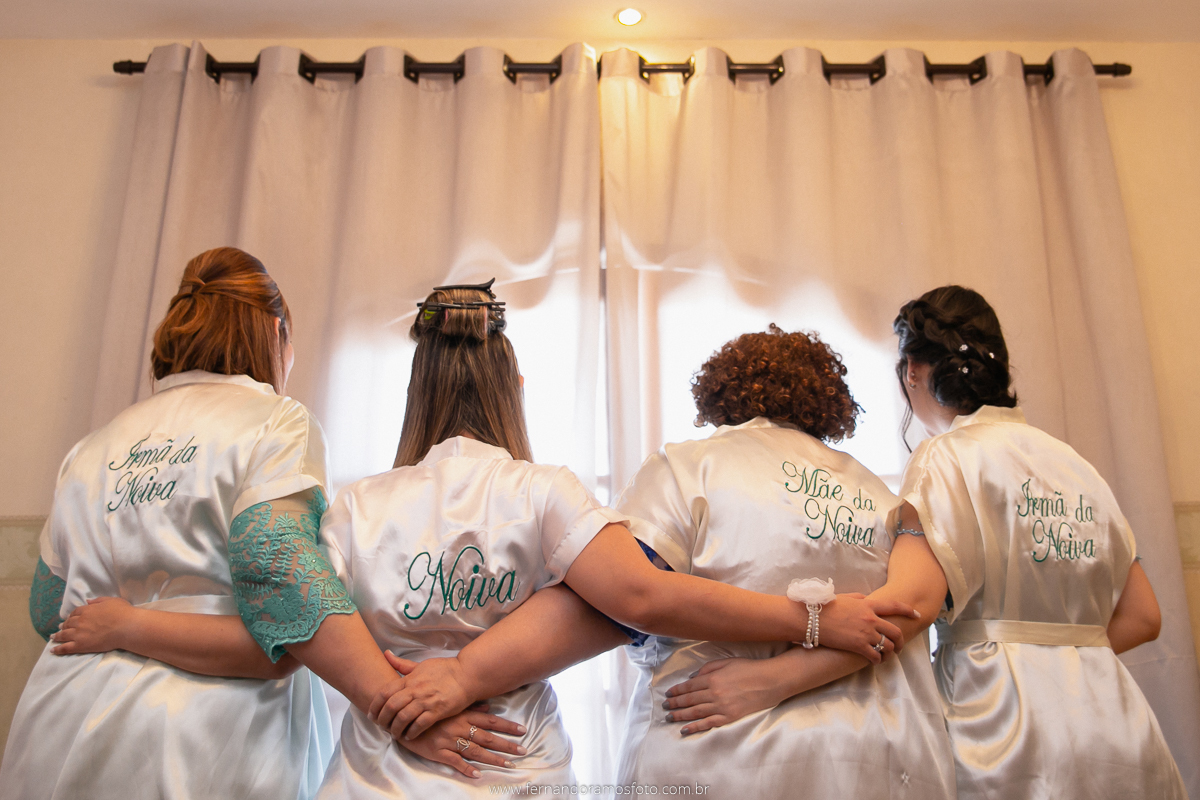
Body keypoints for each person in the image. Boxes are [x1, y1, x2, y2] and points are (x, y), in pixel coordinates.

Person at [313, 284, 919, 798]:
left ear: (416, 390)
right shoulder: (544, 492)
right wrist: (812, 623)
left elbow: (308, 625)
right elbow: (636, 598)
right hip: (521, 770)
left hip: (377, 774)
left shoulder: (352, 506)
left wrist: (406, 702)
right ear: (516, 385)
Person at [0, 247, 484, 800]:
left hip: (59, 726)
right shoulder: (274, 422)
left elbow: (48, 607)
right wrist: (399, 712)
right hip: (198, 738)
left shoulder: (90, 449)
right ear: (276, 333)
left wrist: (126, 622)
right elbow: (283, 594)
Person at [889, 284, 1185, 798]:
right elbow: (1143, 616)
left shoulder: (946, 457)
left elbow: (912, 604)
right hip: (1115, 725)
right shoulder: (1074, 463)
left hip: (1001, 727)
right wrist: (1064, 659)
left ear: (913, 370)